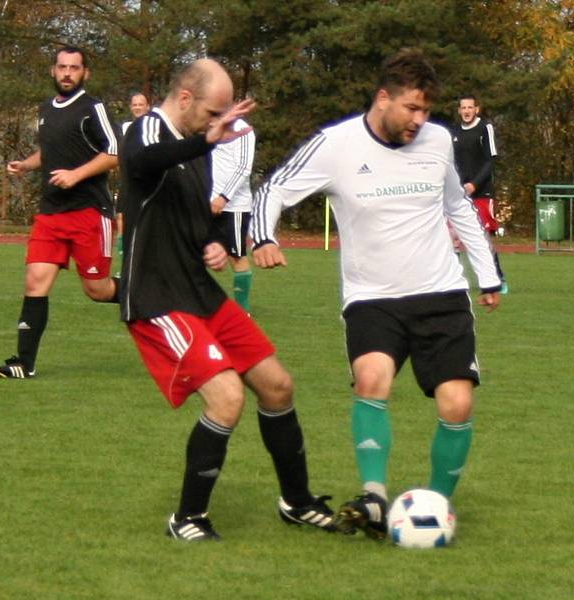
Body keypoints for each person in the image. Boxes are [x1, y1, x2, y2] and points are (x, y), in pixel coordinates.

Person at [252, 48, 501, 540]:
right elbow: (274, 187)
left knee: (457, 405)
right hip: (371, 296)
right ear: (383, 97)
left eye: (427, 110)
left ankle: (435, 506)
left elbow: (459, 206)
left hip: (440, 292)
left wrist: (487, 273)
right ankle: (374, 497)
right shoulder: (335, 144)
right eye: (411, 108)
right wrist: (263, 236)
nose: (420, 120)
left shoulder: (438, 141)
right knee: (372, 379)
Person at [119, 58, 335, 541]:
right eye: (216, 112)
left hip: (198, 290)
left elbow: (196, 214)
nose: (223, 123)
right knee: (227, 397)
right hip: (157, 297)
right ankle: (187, 518)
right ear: (186, 99)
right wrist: (203, 140)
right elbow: (141, 165)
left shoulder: (200, 146)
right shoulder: (146, 130)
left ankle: (297, 502)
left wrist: (215, 239)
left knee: (277, 385)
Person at [0, 45, 121, 379]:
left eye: (74, 68)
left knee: (98, 291)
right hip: (51, 213)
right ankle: (24, 363)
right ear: (52, 70)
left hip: (89, 212)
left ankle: (145, 290)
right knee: (35, 281)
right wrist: (26, 164)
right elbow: (50, 152)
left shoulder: (93, 109)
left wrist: (76, 175)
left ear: (84, 73)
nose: (67, 73)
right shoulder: (46, 108)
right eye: (62, 67)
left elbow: (116, 153)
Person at [451, 94, 507, 292]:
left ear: (477, 109)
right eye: (463, 108)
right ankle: (453, 281)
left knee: (482, 238)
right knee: (452, 238)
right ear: (459, 111)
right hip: (458, 193)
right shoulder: (453, 132)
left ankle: (498, 279)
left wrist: (475, 184)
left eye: (470, 107)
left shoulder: (485, 128)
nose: (466, 111)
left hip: (481, 192)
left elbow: (490, 161)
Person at [210, 116, 256, 312]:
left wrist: (223, 197)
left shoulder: (242, 129)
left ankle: (241, 309)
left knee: (236, 255)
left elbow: (244, 168)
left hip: (234, 205)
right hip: (206, 202)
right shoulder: (207, 124)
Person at [118, 92, 151, 247]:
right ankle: (124, 258)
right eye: (135, 105)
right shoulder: (125, 128)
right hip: (127, 179)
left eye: (141, 104)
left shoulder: (152, 127)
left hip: (146, 181)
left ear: (147, 107)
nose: (137, 107)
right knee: (121, 215)